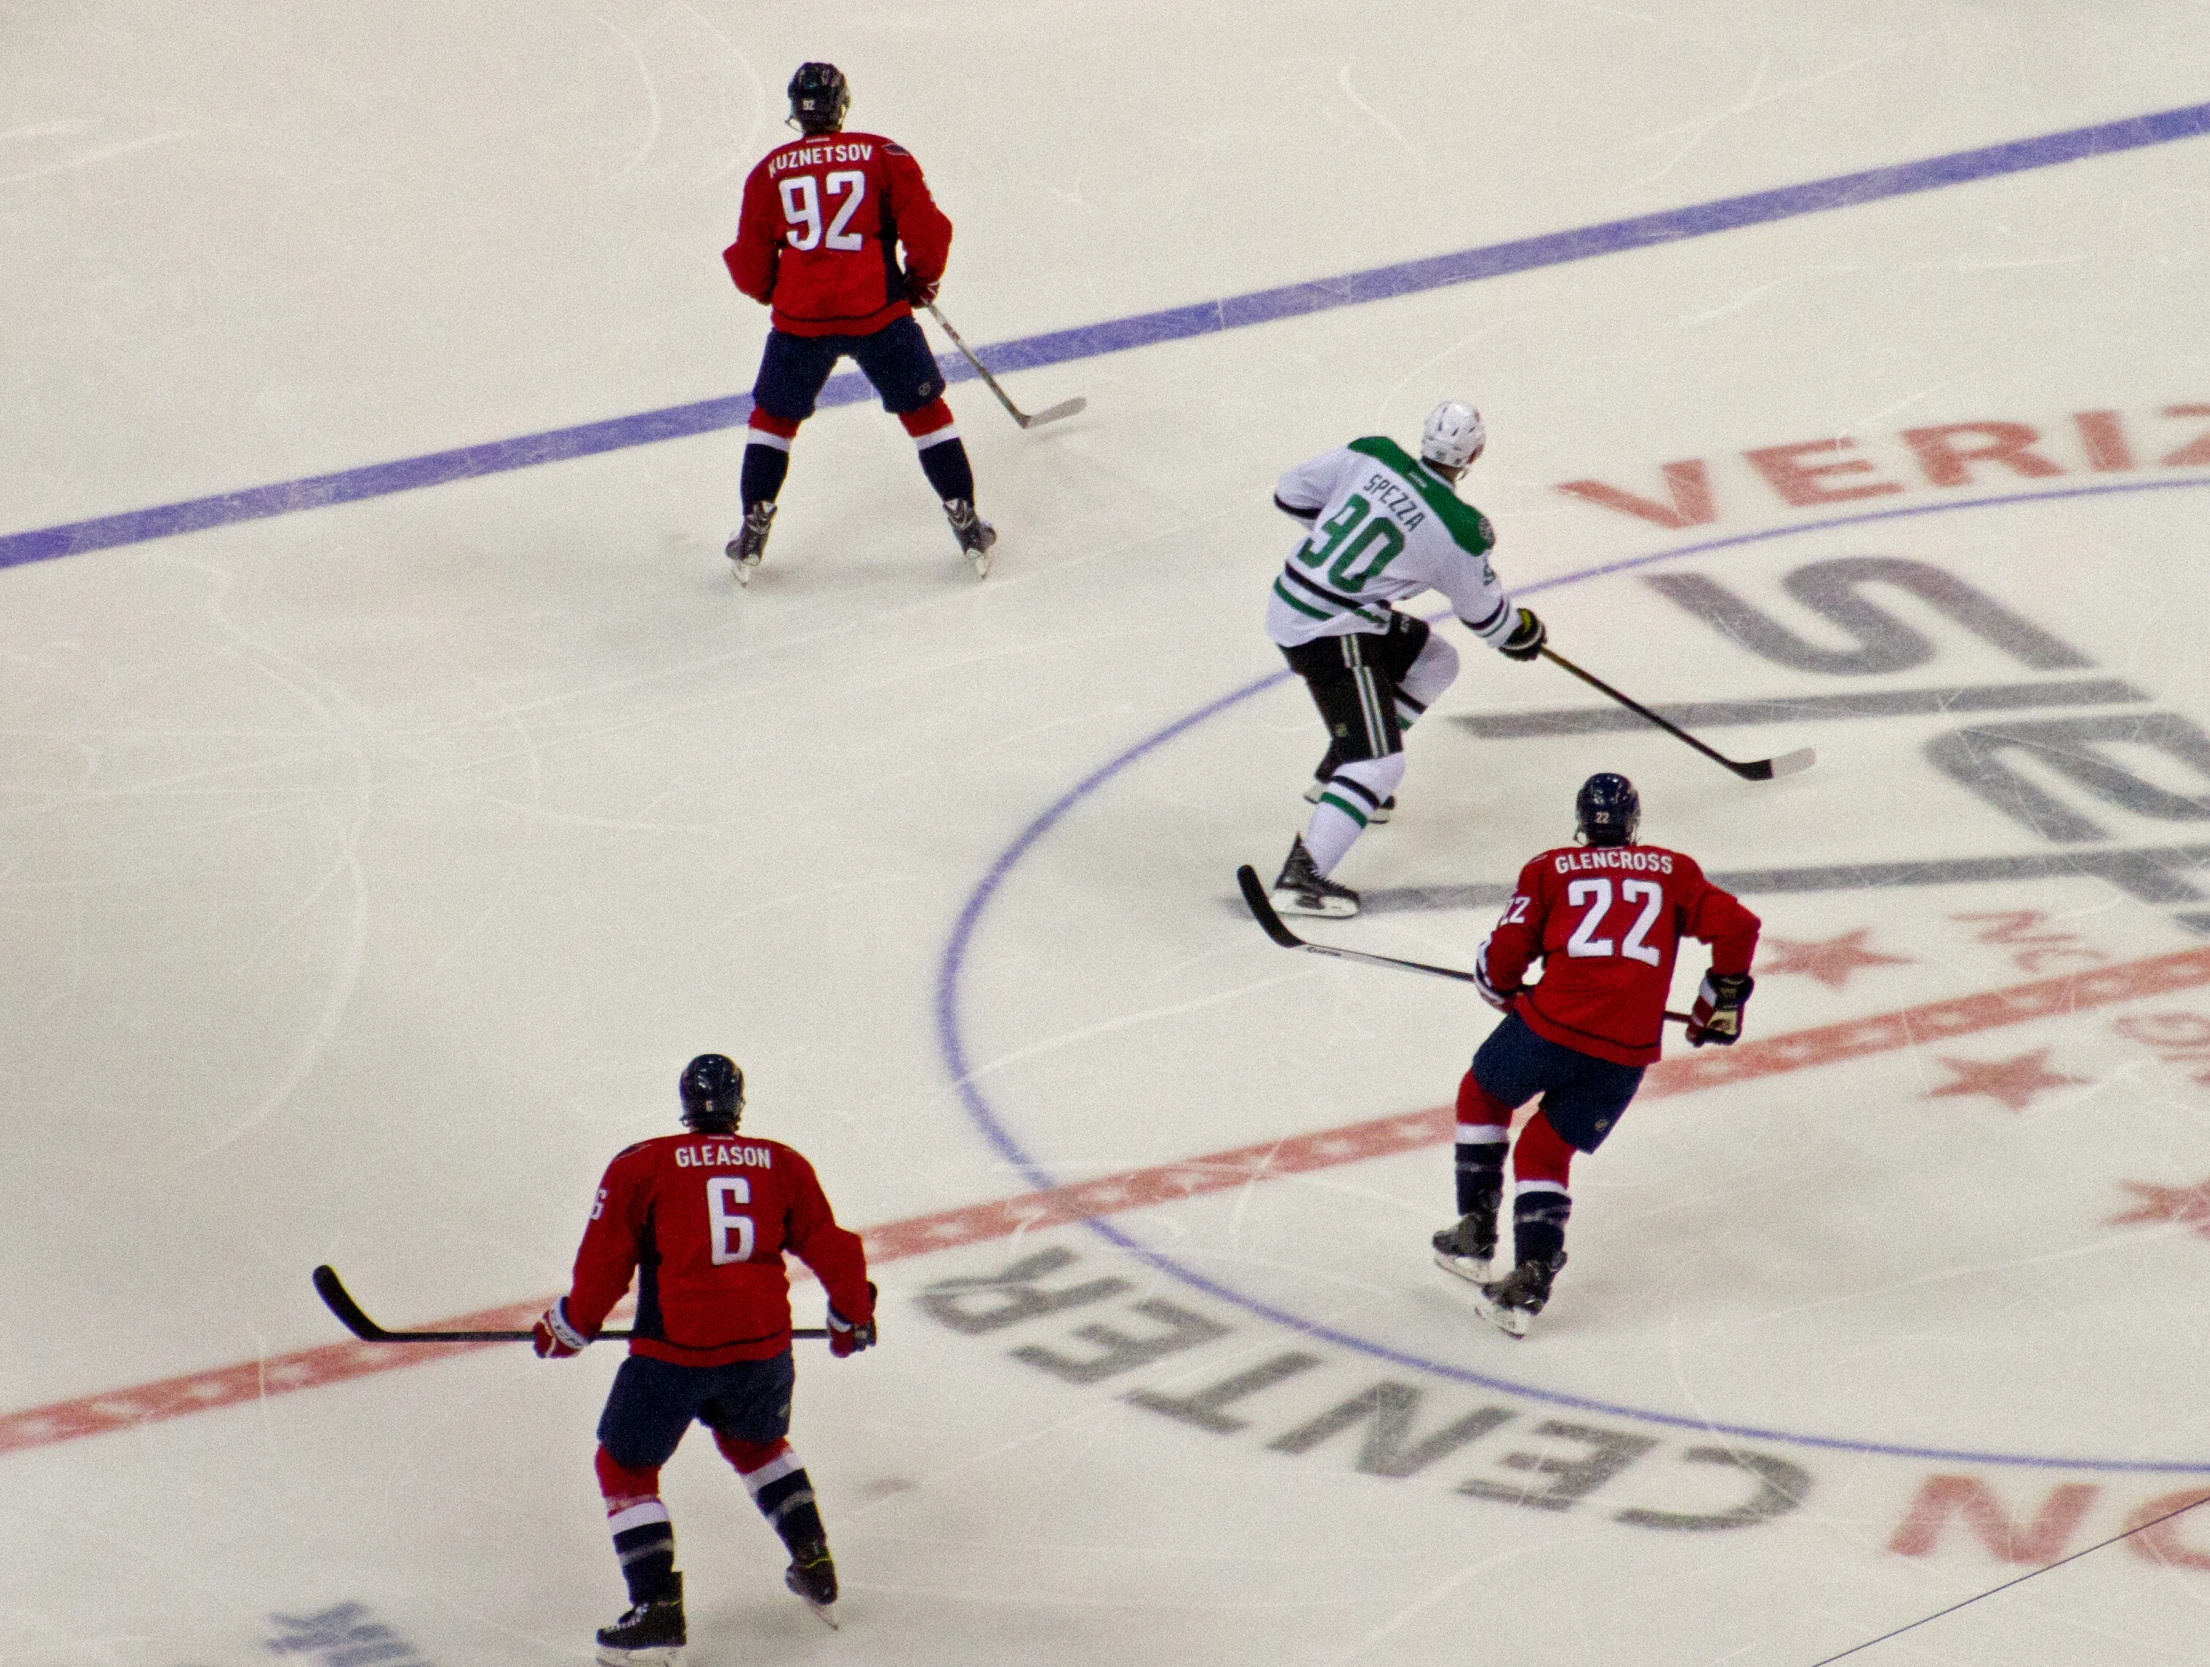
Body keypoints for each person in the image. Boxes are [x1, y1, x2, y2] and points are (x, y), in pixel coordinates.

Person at [532, 1054, 877, 1660]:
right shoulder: (783, 1163)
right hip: (762, 1349)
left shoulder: (642, 1165)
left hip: (674, 1355)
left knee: (625, 1469)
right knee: (758, 1445)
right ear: (739, 1103)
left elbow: (605, 1263)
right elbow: (834, 1248)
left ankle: (657, 1606)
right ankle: (814, 1558)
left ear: (686, 1103)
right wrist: (852, 1315)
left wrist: (571, 1326)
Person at [1431, 774, 1760, 1336]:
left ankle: (1476, 1230)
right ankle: (1531, 1276)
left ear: (1582, 821)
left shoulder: (1548, 868)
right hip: (1626, 1051)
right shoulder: (1674, 870)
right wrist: (1720, 999)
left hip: (1551, 1026)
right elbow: (1738, 926)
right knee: (1545, 1149)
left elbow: (1503, 963)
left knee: (1482, 1093)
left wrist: (1501, 988)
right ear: (1634, 823)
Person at [1265, 400, 1548, 919]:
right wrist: (1524, 631)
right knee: (1381, 764)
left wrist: (1347, 565)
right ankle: (1303, 877)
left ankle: (1337, 777)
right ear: (1475, 454)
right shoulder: (1461, 530)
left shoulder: (1372, 454)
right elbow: (1490, 621)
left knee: (1435, 661)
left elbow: (1290, 494)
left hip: (1300, 599)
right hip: (1329, 628)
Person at [721, 62, 997, 582]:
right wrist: (921, 281)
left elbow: (749, 258)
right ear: (841, 105)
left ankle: (754, 522)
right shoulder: (882, 154)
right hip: (878, 314)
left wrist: (772, 293)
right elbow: (929, 231)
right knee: (924, 411)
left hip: (800, 321)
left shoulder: (768, 171)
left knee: (773, 420)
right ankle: (965, 517)